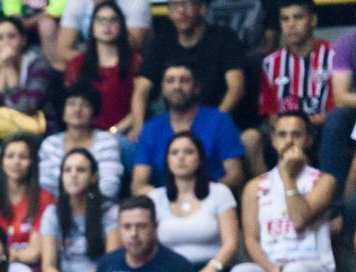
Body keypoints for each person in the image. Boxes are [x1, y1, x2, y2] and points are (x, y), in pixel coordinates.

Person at [226, 113, 337, 272]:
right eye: (282, 135)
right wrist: (271, 270)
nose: (289, 141)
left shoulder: (323, 181)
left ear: (308, 140)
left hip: (313, 271)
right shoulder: (254, 187)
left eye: (296, 135)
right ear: (274, 141)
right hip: (271, 271)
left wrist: (288, 178)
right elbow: (251, 240)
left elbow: (299, 219)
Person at [129, 0, 245, 138]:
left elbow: (236, 88)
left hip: (219, 125)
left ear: (202, 9)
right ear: (169, 13)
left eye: (187, 4)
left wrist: (214, 124)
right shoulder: (161, 42)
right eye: (174, 6)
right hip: (172, 125)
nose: (181, 11)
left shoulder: (224, 38)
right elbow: (141, 90)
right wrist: (139, 128)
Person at [244, 0, 334, 177]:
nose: (291, 24)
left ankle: (327, 193)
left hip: (322, 125)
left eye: (298, 17)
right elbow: (269, 108)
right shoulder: (271, 62)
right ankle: (266, 191)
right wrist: (282, 127)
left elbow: (338, 103)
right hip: (282, 125)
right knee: (249, 138)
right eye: (285, 19)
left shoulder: (333, 56)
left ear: (313, 20)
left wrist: (323, 119)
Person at [131, 61, 246, 195]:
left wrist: (196, 197)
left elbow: (236, 176)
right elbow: (138, 185)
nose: (177, 86)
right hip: (167, 204)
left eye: (184, 81)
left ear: (196, 87)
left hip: (210, 199)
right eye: (170, 81)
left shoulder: (220, 121)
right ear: (162, 89)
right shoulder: (151, 128)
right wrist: (171, 199)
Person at [147, 132, 239, 272]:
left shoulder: (220, 192)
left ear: (200, 159)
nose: (181, 157)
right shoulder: (155, 198)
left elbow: (231, 243)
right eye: (174, 153)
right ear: (167, 161)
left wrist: (212, 268)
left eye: (188, 152)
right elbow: (149, 246)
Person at [39, 148, 119, 272]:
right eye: (67, 170)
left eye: (81, 170)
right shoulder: (52, 212)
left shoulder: (109, 211)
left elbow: (110, 262)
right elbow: (48, 266)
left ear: (93, 177)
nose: (73, 175)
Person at [0, 134, 52, 272]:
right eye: (10, 156)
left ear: (32, 162)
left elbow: (34, 254)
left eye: (23, 157)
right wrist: (15, 255)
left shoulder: (44, 199)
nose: (16, 162)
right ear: (1, 162)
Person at [61, 0, 140, 134]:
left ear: (121, 26)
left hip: (124, 133)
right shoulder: (76, 64)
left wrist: (114, 132)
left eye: (113, 20)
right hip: (84, 133)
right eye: (101, 20)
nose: (107, 25)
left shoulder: (136, 62)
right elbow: (70, 106)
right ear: (92, 28)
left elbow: (140, 106)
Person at [37, 86, 124, 200]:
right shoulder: (50, 144)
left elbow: (109, 186)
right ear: (63, 112)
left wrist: (82, 205)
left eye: (85, 105)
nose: (77, 109)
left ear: (93, 112)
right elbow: (45, 185)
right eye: (71, 104)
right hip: (57, 208)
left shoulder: (107, 141)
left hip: (99, 208)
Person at [0, 17, 55, 122]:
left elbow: (27, 108)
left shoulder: (38, 64)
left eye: (12, 36)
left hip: (37, 130)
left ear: (23, 40)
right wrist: (3, 68)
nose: (6, 42)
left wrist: (8, 67)